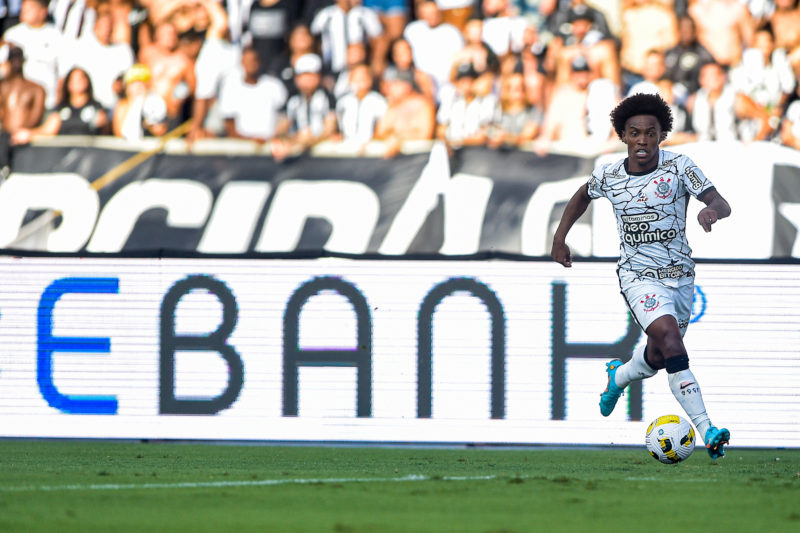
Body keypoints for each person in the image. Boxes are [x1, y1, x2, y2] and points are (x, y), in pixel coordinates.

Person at [550, 92, 732, 460]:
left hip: (680, 277)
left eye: (651, 133)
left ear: (662, 135)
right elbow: (582, 196)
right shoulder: (609, 174)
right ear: (623, 136)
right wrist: (559, 238)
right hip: (637, 276)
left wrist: (710, 213)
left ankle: (618, 377)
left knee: (659, 356)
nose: (643, 141)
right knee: (670, 340)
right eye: (635, 133)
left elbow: (721, 202)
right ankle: (708, 429)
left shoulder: (680, 167)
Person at [11, 66, 108, 144]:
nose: (77, 82)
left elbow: (107, 131)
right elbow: (48, 131)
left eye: (81, 78)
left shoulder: (96, 108)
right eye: (73, 79)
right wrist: (29, 134)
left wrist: (104, 124)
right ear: (68, 84)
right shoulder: (62, 109)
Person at [218, 46, 288, 144]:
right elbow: (229, 126)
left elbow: (284, 118)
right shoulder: (231, 88)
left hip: (271, 146)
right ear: (241, 62)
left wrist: (272, 138)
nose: (251, 64)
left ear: (260, 62)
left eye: (254, 60)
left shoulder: (274, 85)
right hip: (241, 148)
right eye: (247, 61)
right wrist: (251, 141)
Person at [2, 0, 64, 109]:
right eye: (23, 7)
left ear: (43, 11)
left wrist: (59, 102)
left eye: (30, 8)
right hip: (16, 103)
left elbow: (63, 72)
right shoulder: (12, 35)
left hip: (48, 102)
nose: (24, 11)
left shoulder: (56, 35)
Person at [374, 66, 436, 157]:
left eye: (394, 84)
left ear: (407, 86)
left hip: (418, 159)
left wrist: (399, 139)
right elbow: (379, 134)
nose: (390, 89)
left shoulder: (424, 105)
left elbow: (425, 135)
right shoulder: (393, 106)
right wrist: (392, 138)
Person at [112, 63, 169, 141]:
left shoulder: (156, 102)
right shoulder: (122, 105)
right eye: (134, 83)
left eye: (142, 83)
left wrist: (150, 126)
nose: (138, 87)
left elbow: (161, 131)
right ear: (127, 87)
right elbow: (119, 134)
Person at [335, 63, 387, 145]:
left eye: (364, 77)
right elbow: (339, 126)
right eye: (357, 77)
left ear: (370, 80)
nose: (360, 80)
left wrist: (373, 140)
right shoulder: (343, 101)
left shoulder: (378, 101)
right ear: (350, 79)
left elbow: (382, 126)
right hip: (346, 147)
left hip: (370, 148)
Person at [0, 44, 45, 136]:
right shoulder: (3, 87)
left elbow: (36, 115)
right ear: (8, 62)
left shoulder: (36, 88)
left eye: (18, 59)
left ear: (23, 61)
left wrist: (23, 131)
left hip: (25, 137)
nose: (16, 62)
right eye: (13, 60)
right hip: (4, 135)